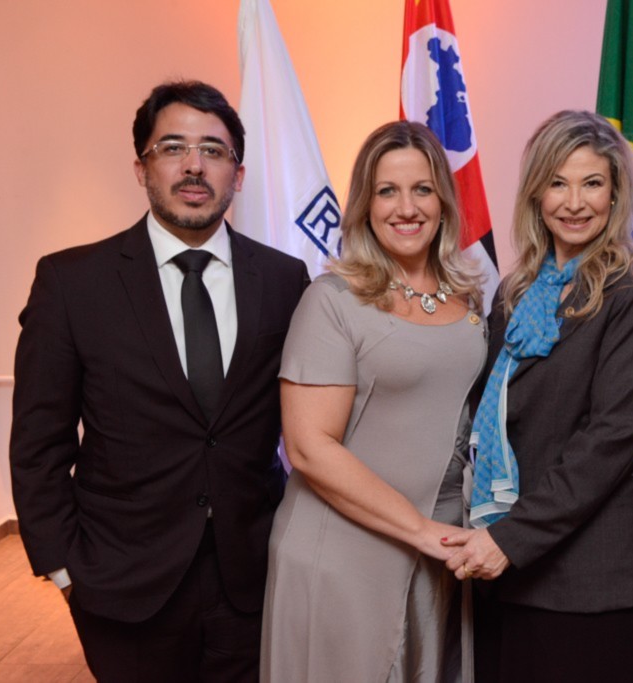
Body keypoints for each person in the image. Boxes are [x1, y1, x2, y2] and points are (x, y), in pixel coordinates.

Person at [9, 80, 309, 681]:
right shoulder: (72, 283)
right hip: (122, 583)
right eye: (173, 148)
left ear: (238, 175)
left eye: (213, 151)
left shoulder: (285, 279)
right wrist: (63, 568)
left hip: (252, 578)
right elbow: (39, 444)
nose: (194, 166)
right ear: (141, 168)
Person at [441, 110, 633, 683]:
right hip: (505, 570)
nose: (574, 203)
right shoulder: (514, 292)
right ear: (536, 194)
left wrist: (509, 538)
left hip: (588, 580)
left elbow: (610, 441)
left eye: (592, 183)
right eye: (557, 183)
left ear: (615, 194)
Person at [260, 120, 486, 682]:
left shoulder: (469, 295)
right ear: (365, 204)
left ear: (443, 201)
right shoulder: (332, 299)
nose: (406, 208)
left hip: (442, 549)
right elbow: (308, 447)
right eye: (387, 191)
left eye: (422, 189)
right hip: (344, 551)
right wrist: (420, 530)